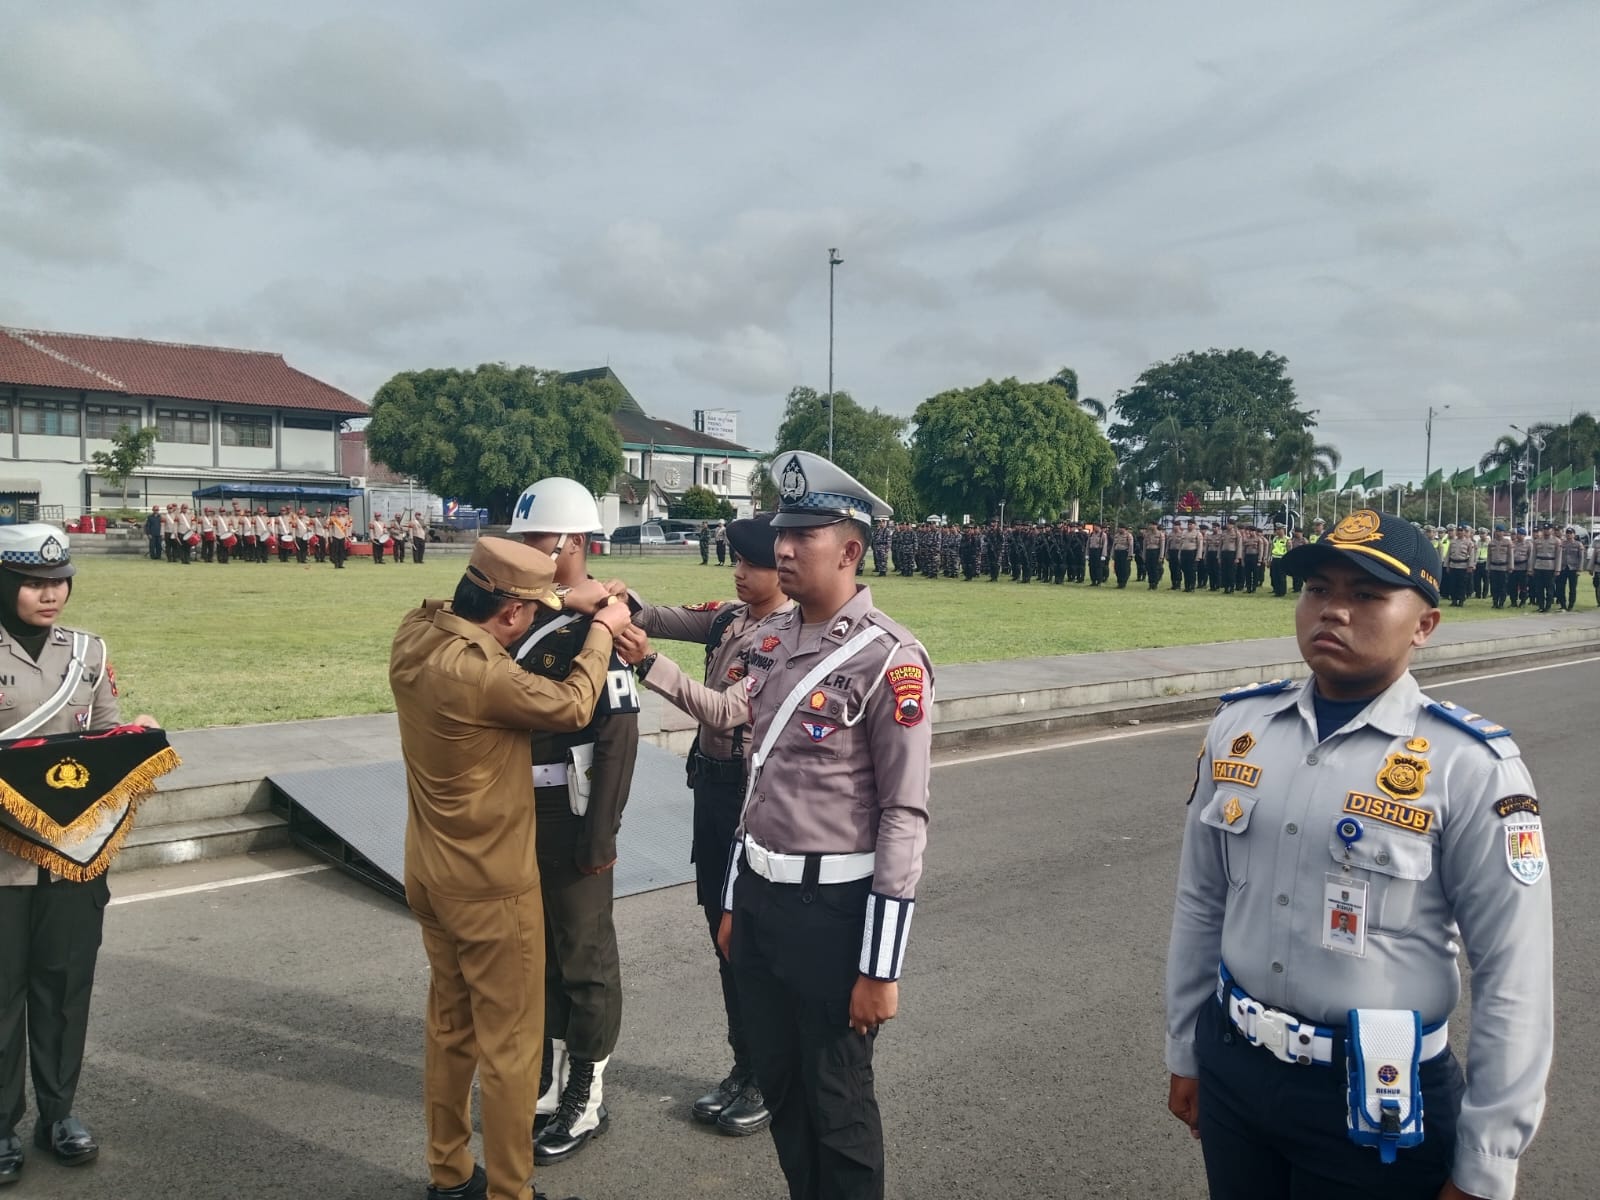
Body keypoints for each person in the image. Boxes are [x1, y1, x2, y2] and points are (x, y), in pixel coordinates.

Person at [1164, 509, 1553, 1200]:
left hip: (1378, 1097)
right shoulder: (1241, 727)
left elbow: (1514, 972)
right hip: (1235, 1066)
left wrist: (1488, 1161)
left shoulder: (1468, 764)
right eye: (1317, 588)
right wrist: (1186, 1046)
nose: (1333, 610)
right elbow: (1203, 899)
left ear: (1424, 625)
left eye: (1367, 595)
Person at [718, 450, 933, 1200]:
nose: (782, 548)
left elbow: (904, 814)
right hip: (762, 901)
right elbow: (760, 779)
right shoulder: (771, 641)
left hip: (832, 915)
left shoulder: (890, 659)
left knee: (837, 1105)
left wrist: (881, 966)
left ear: (848, 550)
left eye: (802, 535)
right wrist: (734, 898)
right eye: (782, 532)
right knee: (782, 1088)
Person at [392, 535, 626, 1200]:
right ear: (512, 614)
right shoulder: (484, 675)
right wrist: (602, 629)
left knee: (450, 1028)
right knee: (512, 1049)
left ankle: (448, 1172)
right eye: (531, 611)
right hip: (491, 884)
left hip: (429, 870)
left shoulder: (414, 634)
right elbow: (573, 703)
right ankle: (511, 1191)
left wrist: (559, 599)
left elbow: (450, 607)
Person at [619, 514, 790, 1137]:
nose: (740, 573)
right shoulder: (728, 619)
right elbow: (655, 616)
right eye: (736, 562)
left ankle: (769, 1074)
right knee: (722, 936)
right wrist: (617, 598)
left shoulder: (784, 639)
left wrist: (650, 665)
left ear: (784, 569)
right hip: (713, 792)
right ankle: (746, 1062)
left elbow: (725, 712)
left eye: (753, 565)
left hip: (749, 797)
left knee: (750, 939)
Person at [0, 524, 161, 1184]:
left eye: (59, 582)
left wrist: (136, 739)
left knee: (65, 988)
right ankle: (1, 1125)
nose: (50, 595)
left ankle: (58, 1113)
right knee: (1, 996)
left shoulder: (88, 652)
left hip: (71, 857)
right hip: (2, 861)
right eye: (34, 584)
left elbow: (103, 737)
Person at [506, 479, 641, 1166]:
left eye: (540, 541)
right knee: (539, 954)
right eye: (524, 539)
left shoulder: (602, 627)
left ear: (576, 544)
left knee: (584, 957)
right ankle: (549, 1079)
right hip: (515, 812)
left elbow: (618, 735)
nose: (528, 551)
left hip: (571, 807)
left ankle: (585, 1094)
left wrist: (601, 834)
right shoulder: (523, 615)